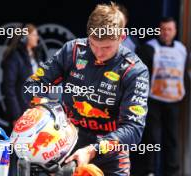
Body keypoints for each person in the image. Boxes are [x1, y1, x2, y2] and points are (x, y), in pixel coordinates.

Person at [24, 2, 149, 175]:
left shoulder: (135, 70)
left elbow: (134, 129)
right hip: (65, 148)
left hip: (110, 157)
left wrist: (92, 150)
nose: (99, 52)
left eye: (106, 47)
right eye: (93, 44)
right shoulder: (73, 51)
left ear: (122, 37)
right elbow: (32, 85)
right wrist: (48, 112)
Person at [136, 17, 188, 176]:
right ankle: (149, 171)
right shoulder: (149, 48)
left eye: (169, 29)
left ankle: (172, 172)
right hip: (153, 100)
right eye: (163, 29)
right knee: (152, 138)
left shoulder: (181, 49)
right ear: (158, 30)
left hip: (174, 101)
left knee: (171, 139)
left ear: (175, 31)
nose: (166, 33)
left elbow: (183, 73)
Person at [1, 23, 43, 128]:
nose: (37, 38)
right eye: (34, 35)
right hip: (21, 114)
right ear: (25, 38)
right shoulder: (15, 57)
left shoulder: (35, 57)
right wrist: (16, 116)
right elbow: (8, 88)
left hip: (35, 113)